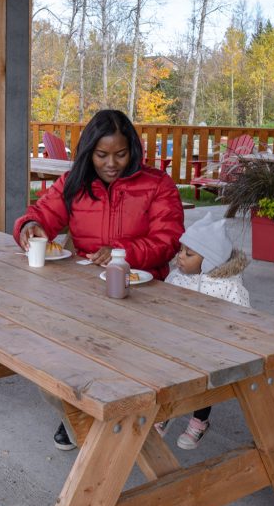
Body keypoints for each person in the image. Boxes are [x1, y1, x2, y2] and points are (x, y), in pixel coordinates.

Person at [14, 109, 185, 450]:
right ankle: (74, 413)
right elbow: (42, 213)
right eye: (102, 155)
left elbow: (168, 240)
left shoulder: (157, 184)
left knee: (129, 362)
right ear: (89, 152)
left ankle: (128, 415)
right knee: (60, 356)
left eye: (120, 154)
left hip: (144, 291)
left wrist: (122, 253)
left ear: (132, 150)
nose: (111, 163)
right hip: (85, 288)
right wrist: (29, 226)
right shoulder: (74, 182)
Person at [161, 212, 250, 449]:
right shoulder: (178, 277)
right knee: (167, 370)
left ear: (210, 260)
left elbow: (244, 321)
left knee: (204, 380)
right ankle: (166, 411)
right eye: (180, 250)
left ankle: (199, 420)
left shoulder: (228, 287)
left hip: (212, 348)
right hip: (178, 341)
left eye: (189, 254)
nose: (180, 257)